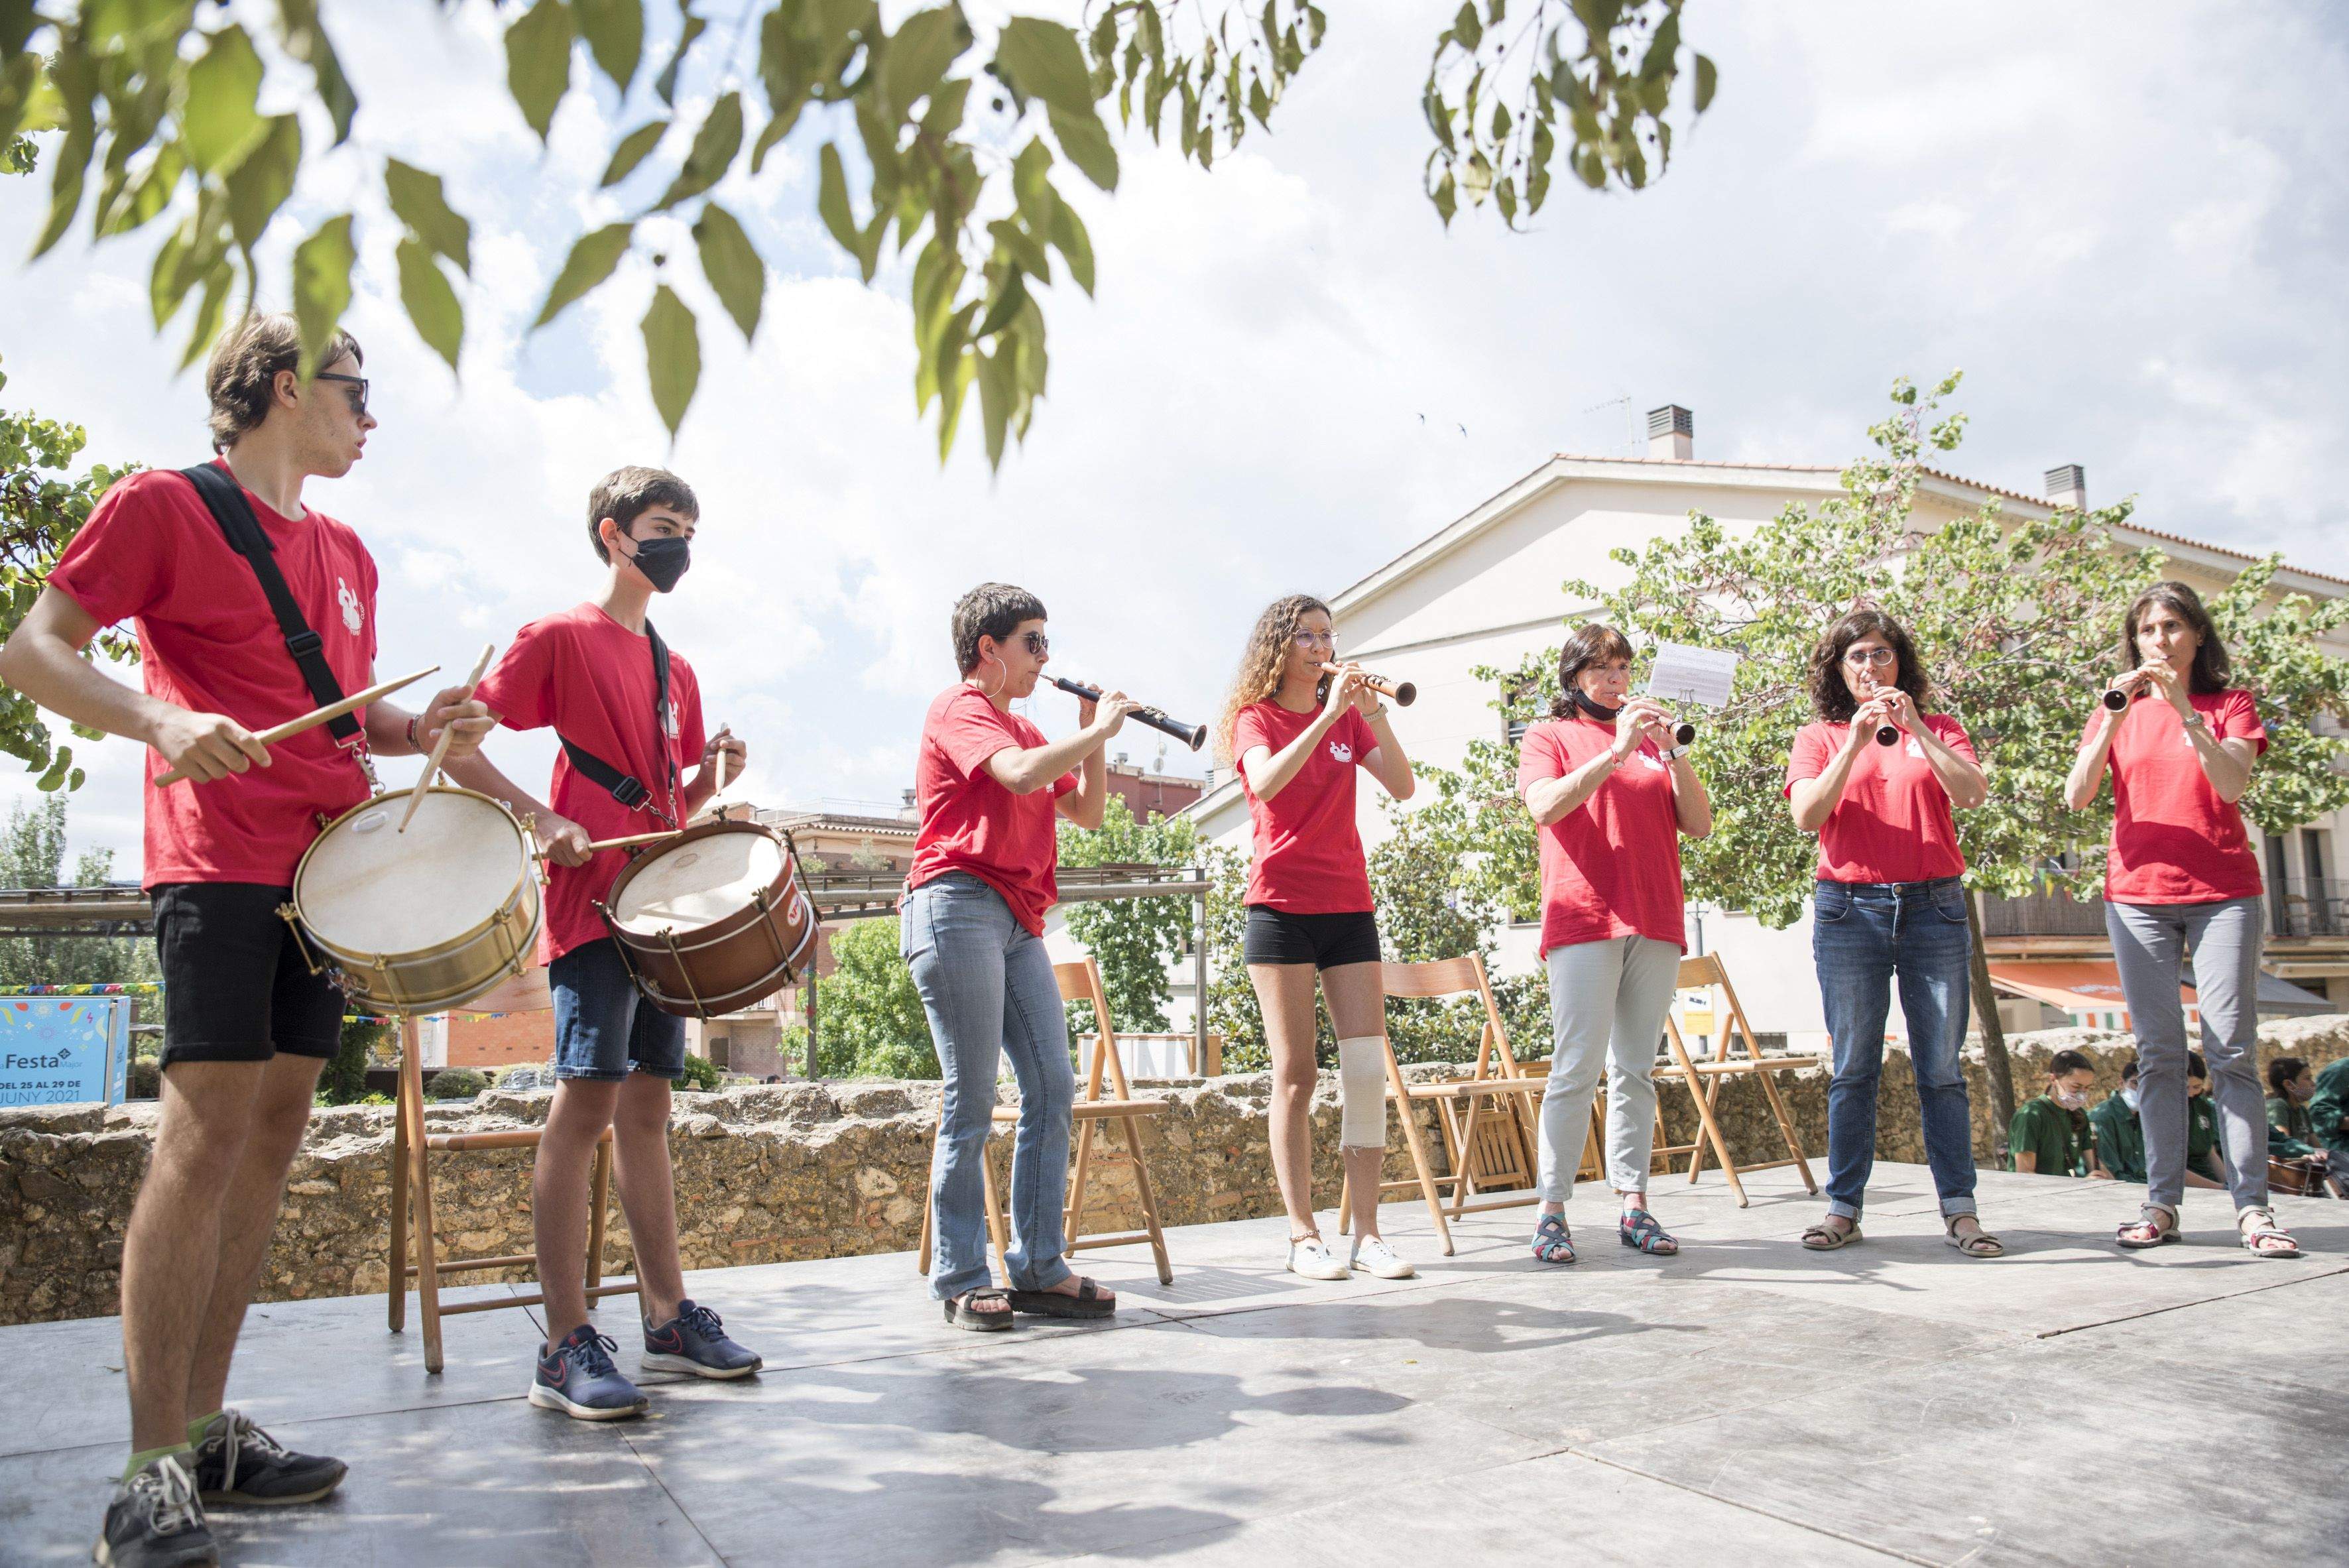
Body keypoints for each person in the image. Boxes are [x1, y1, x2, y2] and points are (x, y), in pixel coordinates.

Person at [0, 313, 495, 1567]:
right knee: (203, 1136)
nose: (371, 416)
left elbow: (338, 717)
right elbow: (34, 652)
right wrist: (159, 720)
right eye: (356, 391)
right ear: (283, 386)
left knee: (272, 1137)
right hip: (217, 862)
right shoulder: (163, 506)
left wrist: (421, 727)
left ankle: (207, 1428)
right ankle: (149, 1469)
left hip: (330, 877)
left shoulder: (349, 551)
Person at [444, 466, 760, 1419]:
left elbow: (667, 807)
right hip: (590, 904)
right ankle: (563, 1342)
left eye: (689, 531)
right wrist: (539, 817)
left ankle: (667, 1319)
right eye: (664, 526)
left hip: (659, 910)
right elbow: (455, 745)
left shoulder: (677, 669)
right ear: (614, 534)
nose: (679, 547)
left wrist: (709, 782)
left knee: (649, 1109)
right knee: (585, 1104)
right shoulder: (558, 637)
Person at [904, 583, 1136, 1329]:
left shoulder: (1029, 728)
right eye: (1032, 642)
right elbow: (1018, 775)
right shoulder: (960, 708)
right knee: (972, 1095)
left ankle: (1039, 1267)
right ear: (989, 649)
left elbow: (1087, 813)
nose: (1044, 656)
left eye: (1046, 642)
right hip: (955, 903)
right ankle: (961, 1276)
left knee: (1052, 1084)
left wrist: (1095, 737)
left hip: (1017, 918)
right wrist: (1097, 729)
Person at [2065, 580, 2299, 1256]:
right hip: (2137, 896)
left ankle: (2252, 1209)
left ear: (2197, 635)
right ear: (2134, 640)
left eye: (2171, 626)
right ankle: (2161, 1203)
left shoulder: (2231, 705)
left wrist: (2184, 711)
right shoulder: (2118, 709)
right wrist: (2112, 718)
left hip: (2223, 893)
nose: (2159, 639)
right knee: (2159, 1054)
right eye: (2147, 629)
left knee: (2230, 1049)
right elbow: (2077, 796)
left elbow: (2231, 783)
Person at [1786, 607, 2002, 1258]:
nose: (1870, 666)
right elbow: (1807, 814)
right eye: (1856, 656)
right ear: (1838, 669)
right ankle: (1844, 1209)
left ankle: (1960, 1211)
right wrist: (1855, 742)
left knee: (1941, 1069)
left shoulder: (1940, 727)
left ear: (1900, 661)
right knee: (1854, 1066)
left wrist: (1917, 730)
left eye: (1881, 653)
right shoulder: (1820, 736)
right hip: (1850, 910)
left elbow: (1972, 793)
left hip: (1934, 907)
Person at [1220, 594, 1419, 1281]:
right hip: (1280, 908)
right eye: (1305, 636)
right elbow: (1266, 783)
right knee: (1296, 1074)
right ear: (1278, 646)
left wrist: (1370, 712)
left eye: (1327, 635)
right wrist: (1328, 716)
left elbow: (1403, 786)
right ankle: (1303, 1236)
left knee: (1364, 1068)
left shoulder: (1349, 717)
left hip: (1348, 905)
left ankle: (1367, 1233)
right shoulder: (1256, 717)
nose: (1320, 646)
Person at [1516, 624, 1711, 1263]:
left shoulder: (1653, 741)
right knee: (1575, 1066)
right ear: (1574, 676)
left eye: (1623, 668)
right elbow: (1543, 806)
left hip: (1653, 916)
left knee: (1636, 1068)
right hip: (1583, 915)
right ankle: (1551, 1210)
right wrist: (1616, 752)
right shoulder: (1549, 735)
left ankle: (1634, 1204)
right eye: (1600, 668)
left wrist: (1670, 753)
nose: (1615, 680)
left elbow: (1699, 824)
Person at [2010, 1051, 2098, 1179]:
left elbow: (2094, 1166)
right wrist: (2082, 1184)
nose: (2081, 1095)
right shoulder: (2031, 1115)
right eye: (2076, 1087)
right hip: (2040, 1190)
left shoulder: (2079, 1114)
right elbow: (2026, 1175)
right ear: (2053, 1080)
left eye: (2087, 1088)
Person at [2089, 1059, 2149, 1184]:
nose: (2141, 1090)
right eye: (2136, 1083)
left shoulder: (2147, 1116)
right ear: (2121, 1083)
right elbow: (2109, 1173)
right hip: (2121, 1188)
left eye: (2148, 1086)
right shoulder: (2103, 1117)